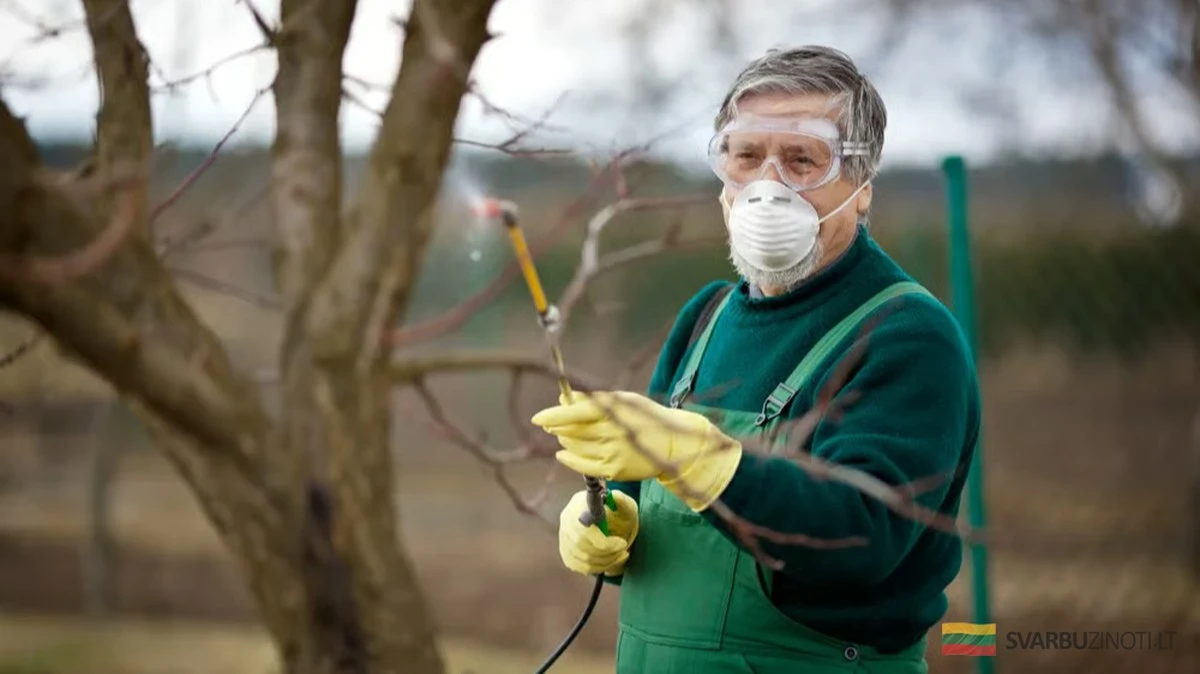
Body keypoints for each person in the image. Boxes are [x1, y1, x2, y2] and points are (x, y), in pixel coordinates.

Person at [531, 45, 982, 673]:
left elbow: (860, 536)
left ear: (860, 189)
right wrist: (606, 522)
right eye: (745, 157)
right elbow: (639, 488)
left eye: (802, 159)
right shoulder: (707, 317)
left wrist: (699, 458)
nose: (767, 187)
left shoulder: (907, 335)